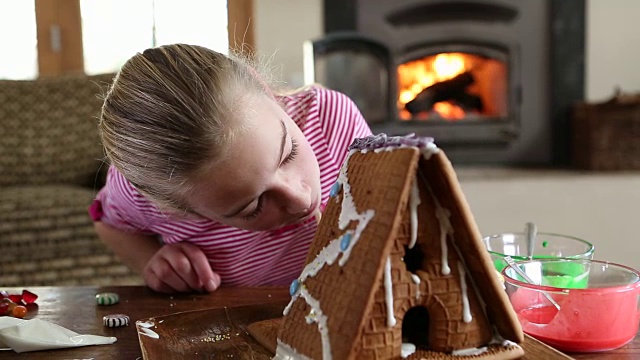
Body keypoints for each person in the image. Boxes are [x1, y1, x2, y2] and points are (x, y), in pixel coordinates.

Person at [90, 43, 372, 293]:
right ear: (172, 209)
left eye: (289, 153)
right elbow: (107, 224)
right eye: (252, 207)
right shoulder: (136, 195)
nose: (301, 200)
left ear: (262, 88)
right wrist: (150, 261)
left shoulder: (331, 121)